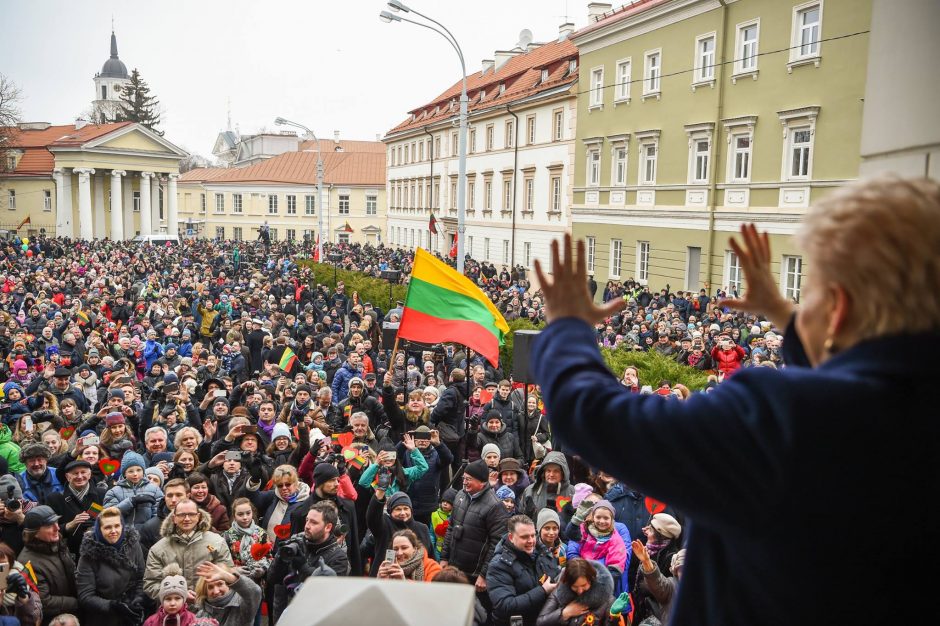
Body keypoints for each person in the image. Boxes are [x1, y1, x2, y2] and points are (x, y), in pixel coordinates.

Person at [530, 177, 940, 625]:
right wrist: (786, 317)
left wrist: (567, 325)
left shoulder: (776, 419)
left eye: (812, 294)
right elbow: (858, 393)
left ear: (837, 308)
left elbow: (593, 416)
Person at [267, 502, 349, 622]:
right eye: (307, 520)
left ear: (328, 527)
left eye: (314, 522)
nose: (307, 526)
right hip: (284, 616)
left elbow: (328, 594)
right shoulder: (297, 542)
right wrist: (281, 557)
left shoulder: (339, 557)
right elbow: (272, 578)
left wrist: (303, 567)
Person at [441, 459, 508, 594]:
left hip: (475, 575)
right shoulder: (460, 495)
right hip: (454, 569)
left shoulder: (495, 506)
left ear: (482, 482)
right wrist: (444, 558)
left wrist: (484, 575)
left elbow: (497, 544)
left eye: (469, 479)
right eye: (463, 478)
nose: (464, 482)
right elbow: (451, 528)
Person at [143, 499, 233, 599]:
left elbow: (228, 576)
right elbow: (151, 584)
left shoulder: (217, 542)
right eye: (181, 515)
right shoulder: (158, 549)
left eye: (191, 514)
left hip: (212, 607)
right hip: (174, 610)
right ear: (174, 518)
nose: (187, 519)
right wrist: (178, 594)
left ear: (198, 517)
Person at [75, 507, 146, 626]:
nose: (113, 531)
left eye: (117, 526)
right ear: (99, 529)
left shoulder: (133, 545)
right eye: (107, 527)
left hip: (131, 613)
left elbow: (141, 578)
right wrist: (113, 606)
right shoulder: (88, 555)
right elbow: (85, 596)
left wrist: (136, 601)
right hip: (102, 617)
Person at [486, 514, 561, 626]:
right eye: (525, 537)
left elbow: (555, 576)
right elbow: (505, 606)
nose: (531, 541)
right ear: (511, 537)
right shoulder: (499, 565)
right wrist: (543, 591)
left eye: (533, 535)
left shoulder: (542, 553)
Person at [16, 505, 80, 624]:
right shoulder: (27, 563)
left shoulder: (57, 543)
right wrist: (77, 602)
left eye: (56, 522)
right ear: (34, 533)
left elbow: (73, 572)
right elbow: (44, 601)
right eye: (50, 525)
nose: (57, 528)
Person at [536, 558, 616, 626]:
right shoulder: (558, 593)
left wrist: (614, 616)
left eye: (584, 585)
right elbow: (540, 622)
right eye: (575, 586)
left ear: (591, 580)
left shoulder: (606, 599)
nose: (580, 591)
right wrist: (564, 613)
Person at [631, 540, 684, 626]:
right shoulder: (671, 586)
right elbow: (657, 582)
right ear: (675, 571)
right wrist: (646, 562)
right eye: (681, 569)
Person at [193, 560, 262, 626]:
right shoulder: (201, 613)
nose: (216, 591)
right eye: (210, 587)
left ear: (229, 585)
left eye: (220, 584)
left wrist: (229, 577)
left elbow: (255, 592)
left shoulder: (241, 607)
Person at [143, 563, 210, 626]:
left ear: (184, 599)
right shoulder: (151, 622)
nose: (172, 603)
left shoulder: (193, 621)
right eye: (168, 599)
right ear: (162, 600)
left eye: (177, 598)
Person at [0, 542, 43, 626]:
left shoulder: (21, 579)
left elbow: (36, 621)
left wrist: (23, 599)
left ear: (10, 566)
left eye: (2, 565)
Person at [376, 528, 441, 582]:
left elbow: (431, 594)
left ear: (414, 549)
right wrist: (379, 580)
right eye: (395, 549)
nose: (399, 553)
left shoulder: (432, 566)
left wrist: (404, 582)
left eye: (404, 548)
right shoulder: (388, 568)